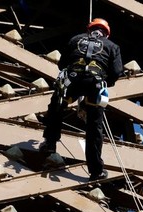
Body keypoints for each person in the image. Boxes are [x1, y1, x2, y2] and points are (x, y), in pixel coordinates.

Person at [40, 18, 123, 181]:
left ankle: (50, 144)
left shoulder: (76, 39)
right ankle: (96, 170)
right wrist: (107, 81)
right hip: (95, 83)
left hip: (72, 79)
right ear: (106, 33)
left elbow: (62, 63)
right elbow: (117, 71)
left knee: (56, 105)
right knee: (94, 128)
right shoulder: (112, 46)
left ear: (89, 29)